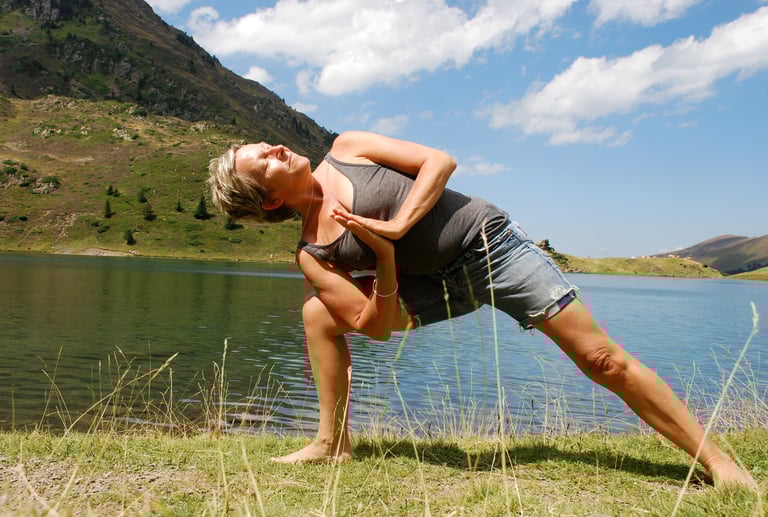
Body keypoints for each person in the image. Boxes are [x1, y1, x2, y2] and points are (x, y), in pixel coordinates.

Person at [207, 130, 754, 487]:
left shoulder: (348, 148)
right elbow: (374, 327)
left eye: (265, 145)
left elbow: (439, 162)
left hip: (493, 249)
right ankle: (331, 444)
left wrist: (396, 228)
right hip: (428, 283)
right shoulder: (313, 252)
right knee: (318, 314)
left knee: (601, 361)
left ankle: (718, 462)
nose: (275, 148)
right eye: (263, 160)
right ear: (270, 199)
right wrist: (386, 259)